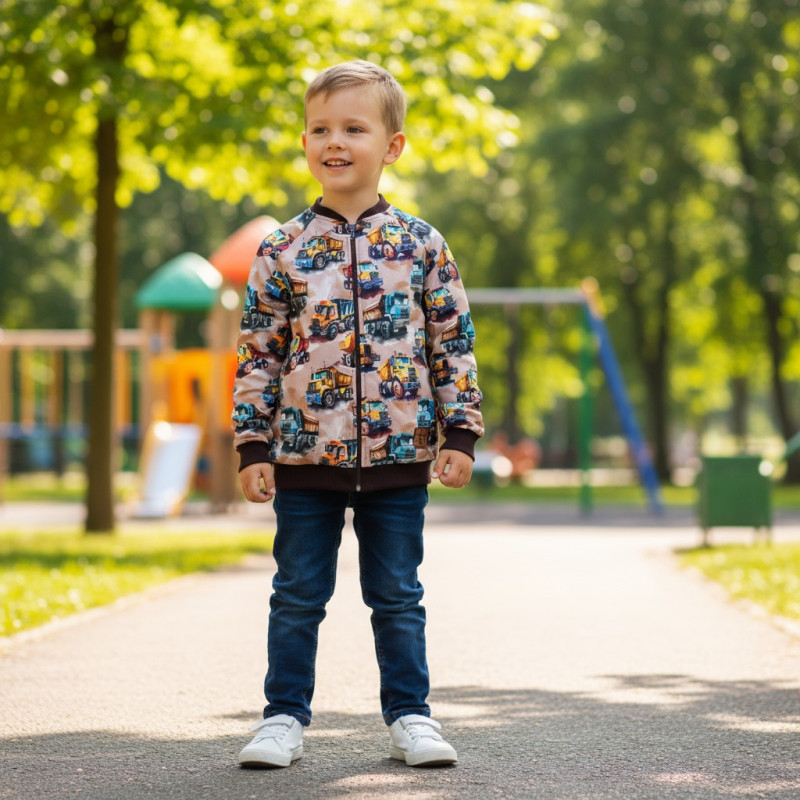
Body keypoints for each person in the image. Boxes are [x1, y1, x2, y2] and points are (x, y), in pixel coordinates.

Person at [232, 60, 483, 769]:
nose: (333, 141)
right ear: (305, 141)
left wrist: (459, 432)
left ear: (392, 145)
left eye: (352, 128)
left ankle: (411, 716)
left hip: (401, 455)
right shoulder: (281, 249)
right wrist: (253, 447)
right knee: (296, 596)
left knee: (398, 596)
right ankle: (282, 717)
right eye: (319, 128)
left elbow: (453, 345)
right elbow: (258, 354)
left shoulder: (423, 245)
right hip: (303, 457)